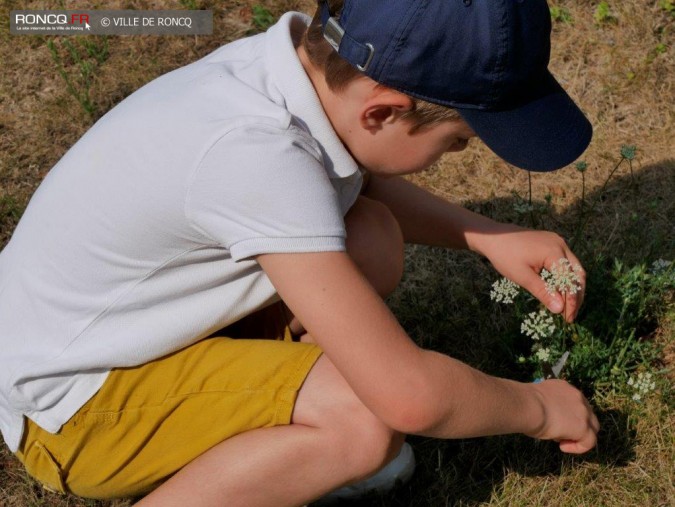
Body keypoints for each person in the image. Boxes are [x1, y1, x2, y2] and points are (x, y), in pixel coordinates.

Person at [0, 1, 600, 505]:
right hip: (73, 412)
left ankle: (282, 429)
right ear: (383, 111)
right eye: (457, 144)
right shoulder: (255, 157)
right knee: (366, 423)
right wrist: (539, 409)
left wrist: (488, 236)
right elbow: (410, 396)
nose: (457, 157)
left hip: (104, 339)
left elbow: (333, 183)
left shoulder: (277, 73)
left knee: (371, 238)